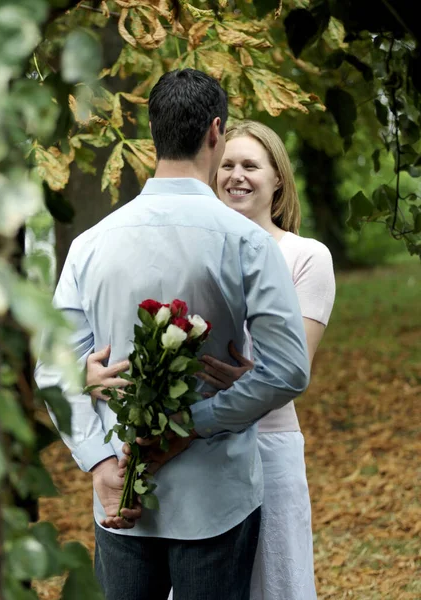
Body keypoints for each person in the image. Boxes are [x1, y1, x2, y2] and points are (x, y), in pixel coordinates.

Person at [34, 70, 310, 600]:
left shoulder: (91, 244)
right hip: (217, 493)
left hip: (121, 490)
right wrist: (195, 423)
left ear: (152, 133)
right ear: (215, 132)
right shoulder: (249, 243)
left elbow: (53, 367)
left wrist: (97, 460)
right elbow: (288, 370)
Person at [88, 120, 335, 600]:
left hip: (266, 441)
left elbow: (289, 369)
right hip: (186, 444)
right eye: (227, 165)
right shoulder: (198, 246)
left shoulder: (306, 256)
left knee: (272, 581)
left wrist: (254, 382)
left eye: (251, 166)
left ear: (278, 178)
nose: (236, 176)